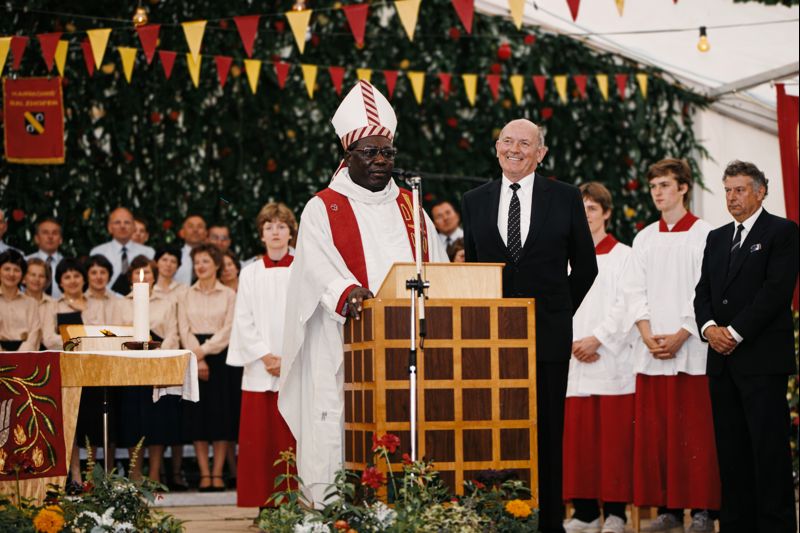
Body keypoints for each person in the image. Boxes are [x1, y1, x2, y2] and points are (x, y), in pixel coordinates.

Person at [279, 80, 448, 506]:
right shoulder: (324, 207)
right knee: (335, 417)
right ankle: (330, 509)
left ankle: (406, 502)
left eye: (386, 153)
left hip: (408, 340)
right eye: (369, 152)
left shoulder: (413, 206)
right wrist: (349, 292)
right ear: (347, 156)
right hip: (343, 336)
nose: (379, 161)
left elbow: (439, 265)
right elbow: (315, 267)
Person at [461, 119, 597, 533]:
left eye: (525, 143)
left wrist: (555, 312)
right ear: (496, 147)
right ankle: (499, 519)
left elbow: (586, 267)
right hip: (492, 338)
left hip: (548, 337)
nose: (514, 149)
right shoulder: (474, 200)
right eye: (507, 141)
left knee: (546, 433)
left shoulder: (566, 197)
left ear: (541, 153)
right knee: (495, 429)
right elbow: (478, 270)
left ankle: (548, 524)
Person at [694, 161, 798, 533]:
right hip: (721, 362)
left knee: (768, 451)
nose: (732, 197)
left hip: (761, 360)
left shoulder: (782, 232)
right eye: (727, 190)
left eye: (739, 189)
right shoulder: (717, 237)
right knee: (732, 452)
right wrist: (708, 329)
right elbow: (703, 291)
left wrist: (733, 333)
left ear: (761, 191)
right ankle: (737, 525)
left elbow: (774, 293)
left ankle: (776, 526)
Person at [626, 159, 719, 533]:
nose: (658, 193)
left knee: (695, 433)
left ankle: (702, 510)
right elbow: (633, 291)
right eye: (653, 187)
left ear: (683, 187)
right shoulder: (644, 237)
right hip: (652, 351)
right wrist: (647, 332)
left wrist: (683, 331)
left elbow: (706, 290)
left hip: (692, 350)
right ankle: (667, 509)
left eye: (665, 185)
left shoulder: (705, 234)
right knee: (660, 434)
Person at [562, 183, 635, 533]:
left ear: (606, 212)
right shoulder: (564, 256)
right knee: (579, 443)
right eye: (581, 208)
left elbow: (627, 305)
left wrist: (598, 339)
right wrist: (572, 341)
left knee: (613, 443)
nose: (586, 215)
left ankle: (617, 513)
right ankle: (586, 513)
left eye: (592, 208)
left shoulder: (624, 255)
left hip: (610, 358)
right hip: (574, 358)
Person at [228, 202, 297, 508]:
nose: (275, 232)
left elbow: (304, 317)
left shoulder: (302, 269)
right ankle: (264, 504)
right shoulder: (250, 273)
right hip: (260, 369)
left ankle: (294, 503)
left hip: (294, 367)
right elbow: (243, 319)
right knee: (260, 442)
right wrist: (266, 356)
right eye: (269, 227)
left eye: (281, 226)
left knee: (291, 439)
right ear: (261, 235)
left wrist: (287, 357)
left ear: (291, 232)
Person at [111, 255, 180, 482]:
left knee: (157, 420)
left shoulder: (167, 303)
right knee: (133, 420)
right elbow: (116, 334)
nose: (144, 276)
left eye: (148, 272)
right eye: (138, 272)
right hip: (131, 367)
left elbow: (173, 333)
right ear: (131, 278)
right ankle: (135, 472)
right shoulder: (121, 304)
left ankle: (154, 473)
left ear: (154, 275)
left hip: (158, 365)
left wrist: (159, 354)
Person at [177, 243, 235, 492]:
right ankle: (203, 473)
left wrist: (204, 351)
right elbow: (183, 329)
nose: (200, 266)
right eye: (197, 262)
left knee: (221, 415)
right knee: (197, 416)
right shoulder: (185, 295)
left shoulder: (229, 295)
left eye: (205, 262)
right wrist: (196, 356)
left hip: (220, 356)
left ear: (217, 265)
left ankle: (218, 473)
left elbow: (229, 329)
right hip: (193, 355)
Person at [90, 207, 155, 295]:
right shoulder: (98, 252)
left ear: (133, 227)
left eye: (127, 222)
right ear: (109, 227)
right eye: (117, 222)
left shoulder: (148, 253)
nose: (122, 226)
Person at [0, 250, 42, 351]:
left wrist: (20, 357)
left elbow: (34, 334)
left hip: (25, 354)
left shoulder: (31, 303)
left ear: (22, 275)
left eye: (16, 270)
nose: (11, 274)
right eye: (7, 269)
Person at [22, 257, 61, 350]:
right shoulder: (15, 302)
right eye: (32, 274)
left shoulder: (55, 304)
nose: (37, 279)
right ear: (23, 278)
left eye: (41, 276)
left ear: (47, 281)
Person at [26, 218, 64, 299]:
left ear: (60, 239)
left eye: (55, 233)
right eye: (45, 233)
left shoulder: (66, 264)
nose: (50, 237)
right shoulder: (25, 262)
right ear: (36, 238)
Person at [174, 215, 208, 285]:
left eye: (200, 226)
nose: (195, 230)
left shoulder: (212, 257)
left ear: (206, 233)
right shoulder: (174, 256)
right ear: (182, 233)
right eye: (190, 226)